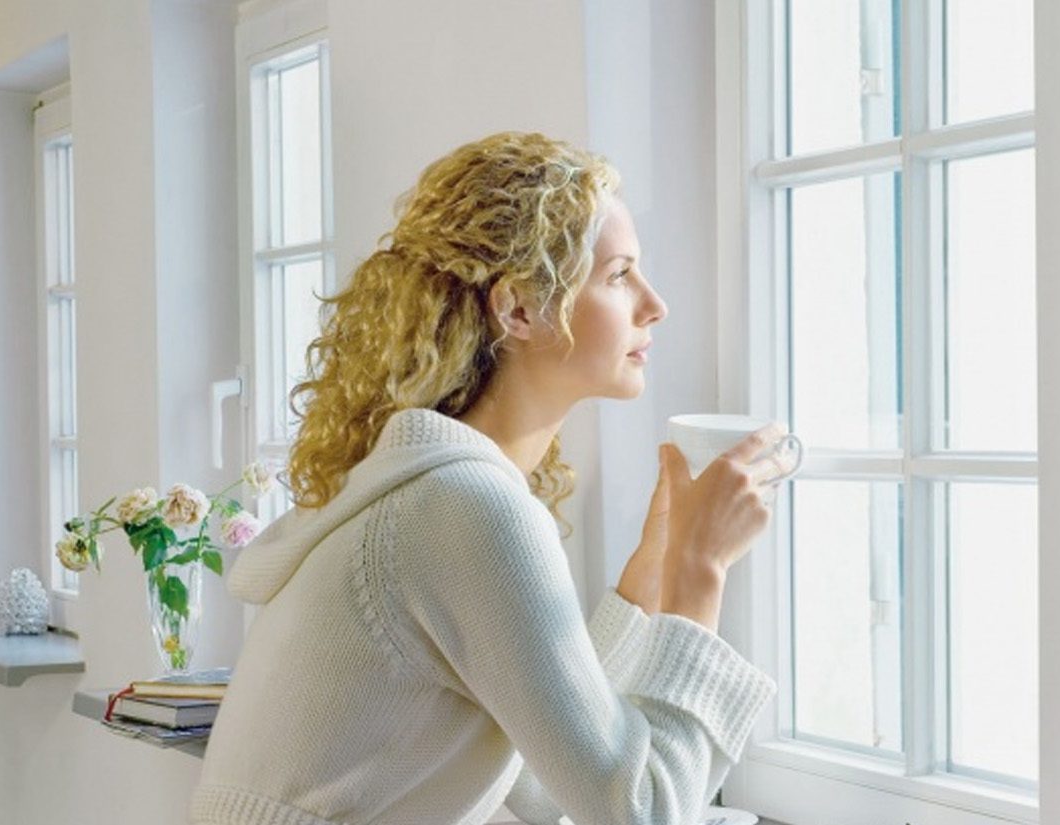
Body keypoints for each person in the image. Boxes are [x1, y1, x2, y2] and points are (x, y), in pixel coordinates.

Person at [189, 132, 785, 825]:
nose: (655, 304)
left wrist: (652, 568)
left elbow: (542, 782)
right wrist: (699, 570)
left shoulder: (430, 494)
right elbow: (641, 814)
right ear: (518, 310)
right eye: (620, 275)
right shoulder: (464, 507)